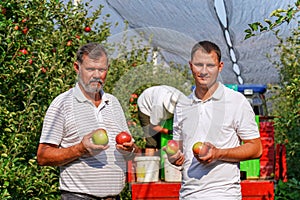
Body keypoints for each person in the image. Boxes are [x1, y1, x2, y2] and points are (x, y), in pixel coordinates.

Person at [37, 42, 139, 200]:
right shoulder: (62, 104)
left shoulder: (113, 103)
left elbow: (131, 152)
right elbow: (43, 156)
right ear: (77, 68)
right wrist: (81, 149)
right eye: (90, 69)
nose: (97, 75)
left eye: (102, 70)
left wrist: (130, 150)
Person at [165, 41, 263, 199]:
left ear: (220, 67)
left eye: (210, 65)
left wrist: (218, 154)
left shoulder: (236, 101)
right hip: (188, 195)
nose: (204, 71)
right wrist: (174, 157)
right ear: (190, 66)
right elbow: (180, 151)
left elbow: (256, 148)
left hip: (224, 194)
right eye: (198, 65)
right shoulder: (182, 105)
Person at [137, 85, 183, 156]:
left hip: (157, 97)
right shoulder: (158, 107)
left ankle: (160, 164)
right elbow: (153, 126)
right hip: (145, 108)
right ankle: (150, 164)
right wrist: (168, 131)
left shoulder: (179, 98)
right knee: (152, 140)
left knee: (160, 141)